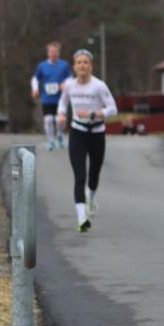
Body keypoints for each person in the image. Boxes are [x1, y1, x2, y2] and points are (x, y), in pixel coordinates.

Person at [56, 49, 117, 233]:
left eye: (85, 62)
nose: (82, 65)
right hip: (78, 133)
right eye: (79, 62)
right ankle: (82, 218)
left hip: (97, 133)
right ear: (74, 67)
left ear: (91, 66)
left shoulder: (99, 86)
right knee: (79, 176)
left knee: (94, 174)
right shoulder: (69, 86)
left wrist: (94, 114)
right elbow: (62, 103)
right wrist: (60, 115)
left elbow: (113, 110)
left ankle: (91, 198)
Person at [31, 41, 73, 151]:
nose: (54, 54)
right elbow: (35, 78)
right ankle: (50, 141)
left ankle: (59, 134)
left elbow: (70, 79)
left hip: (61, 99)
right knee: (49, 120)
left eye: (56, 52)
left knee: (59, 120)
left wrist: (65, 84)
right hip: (47, 99)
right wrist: (35, 89)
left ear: (59, 53)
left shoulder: (64, 65)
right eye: (51, 52)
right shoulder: (42, 66)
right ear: (48, 53)